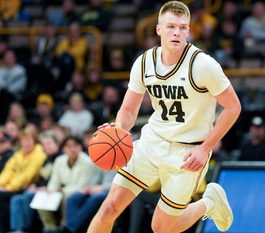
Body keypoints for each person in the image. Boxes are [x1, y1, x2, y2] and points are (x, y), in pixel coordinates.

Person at [88, 1, 241, 233]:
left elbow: (233, 107)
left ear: (188, 31)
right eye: (170, 26)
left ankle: (208, 203)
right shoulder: (144, 62)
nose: (176, 32)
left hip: (187, 151)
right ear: (159, 29)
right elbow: (129, 110)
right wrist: (119, 131)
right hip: (152, 141)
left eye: (182, 27)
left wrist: (205, 148)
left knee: (161, 228)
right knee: (108, 209)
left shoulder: (203, 65)